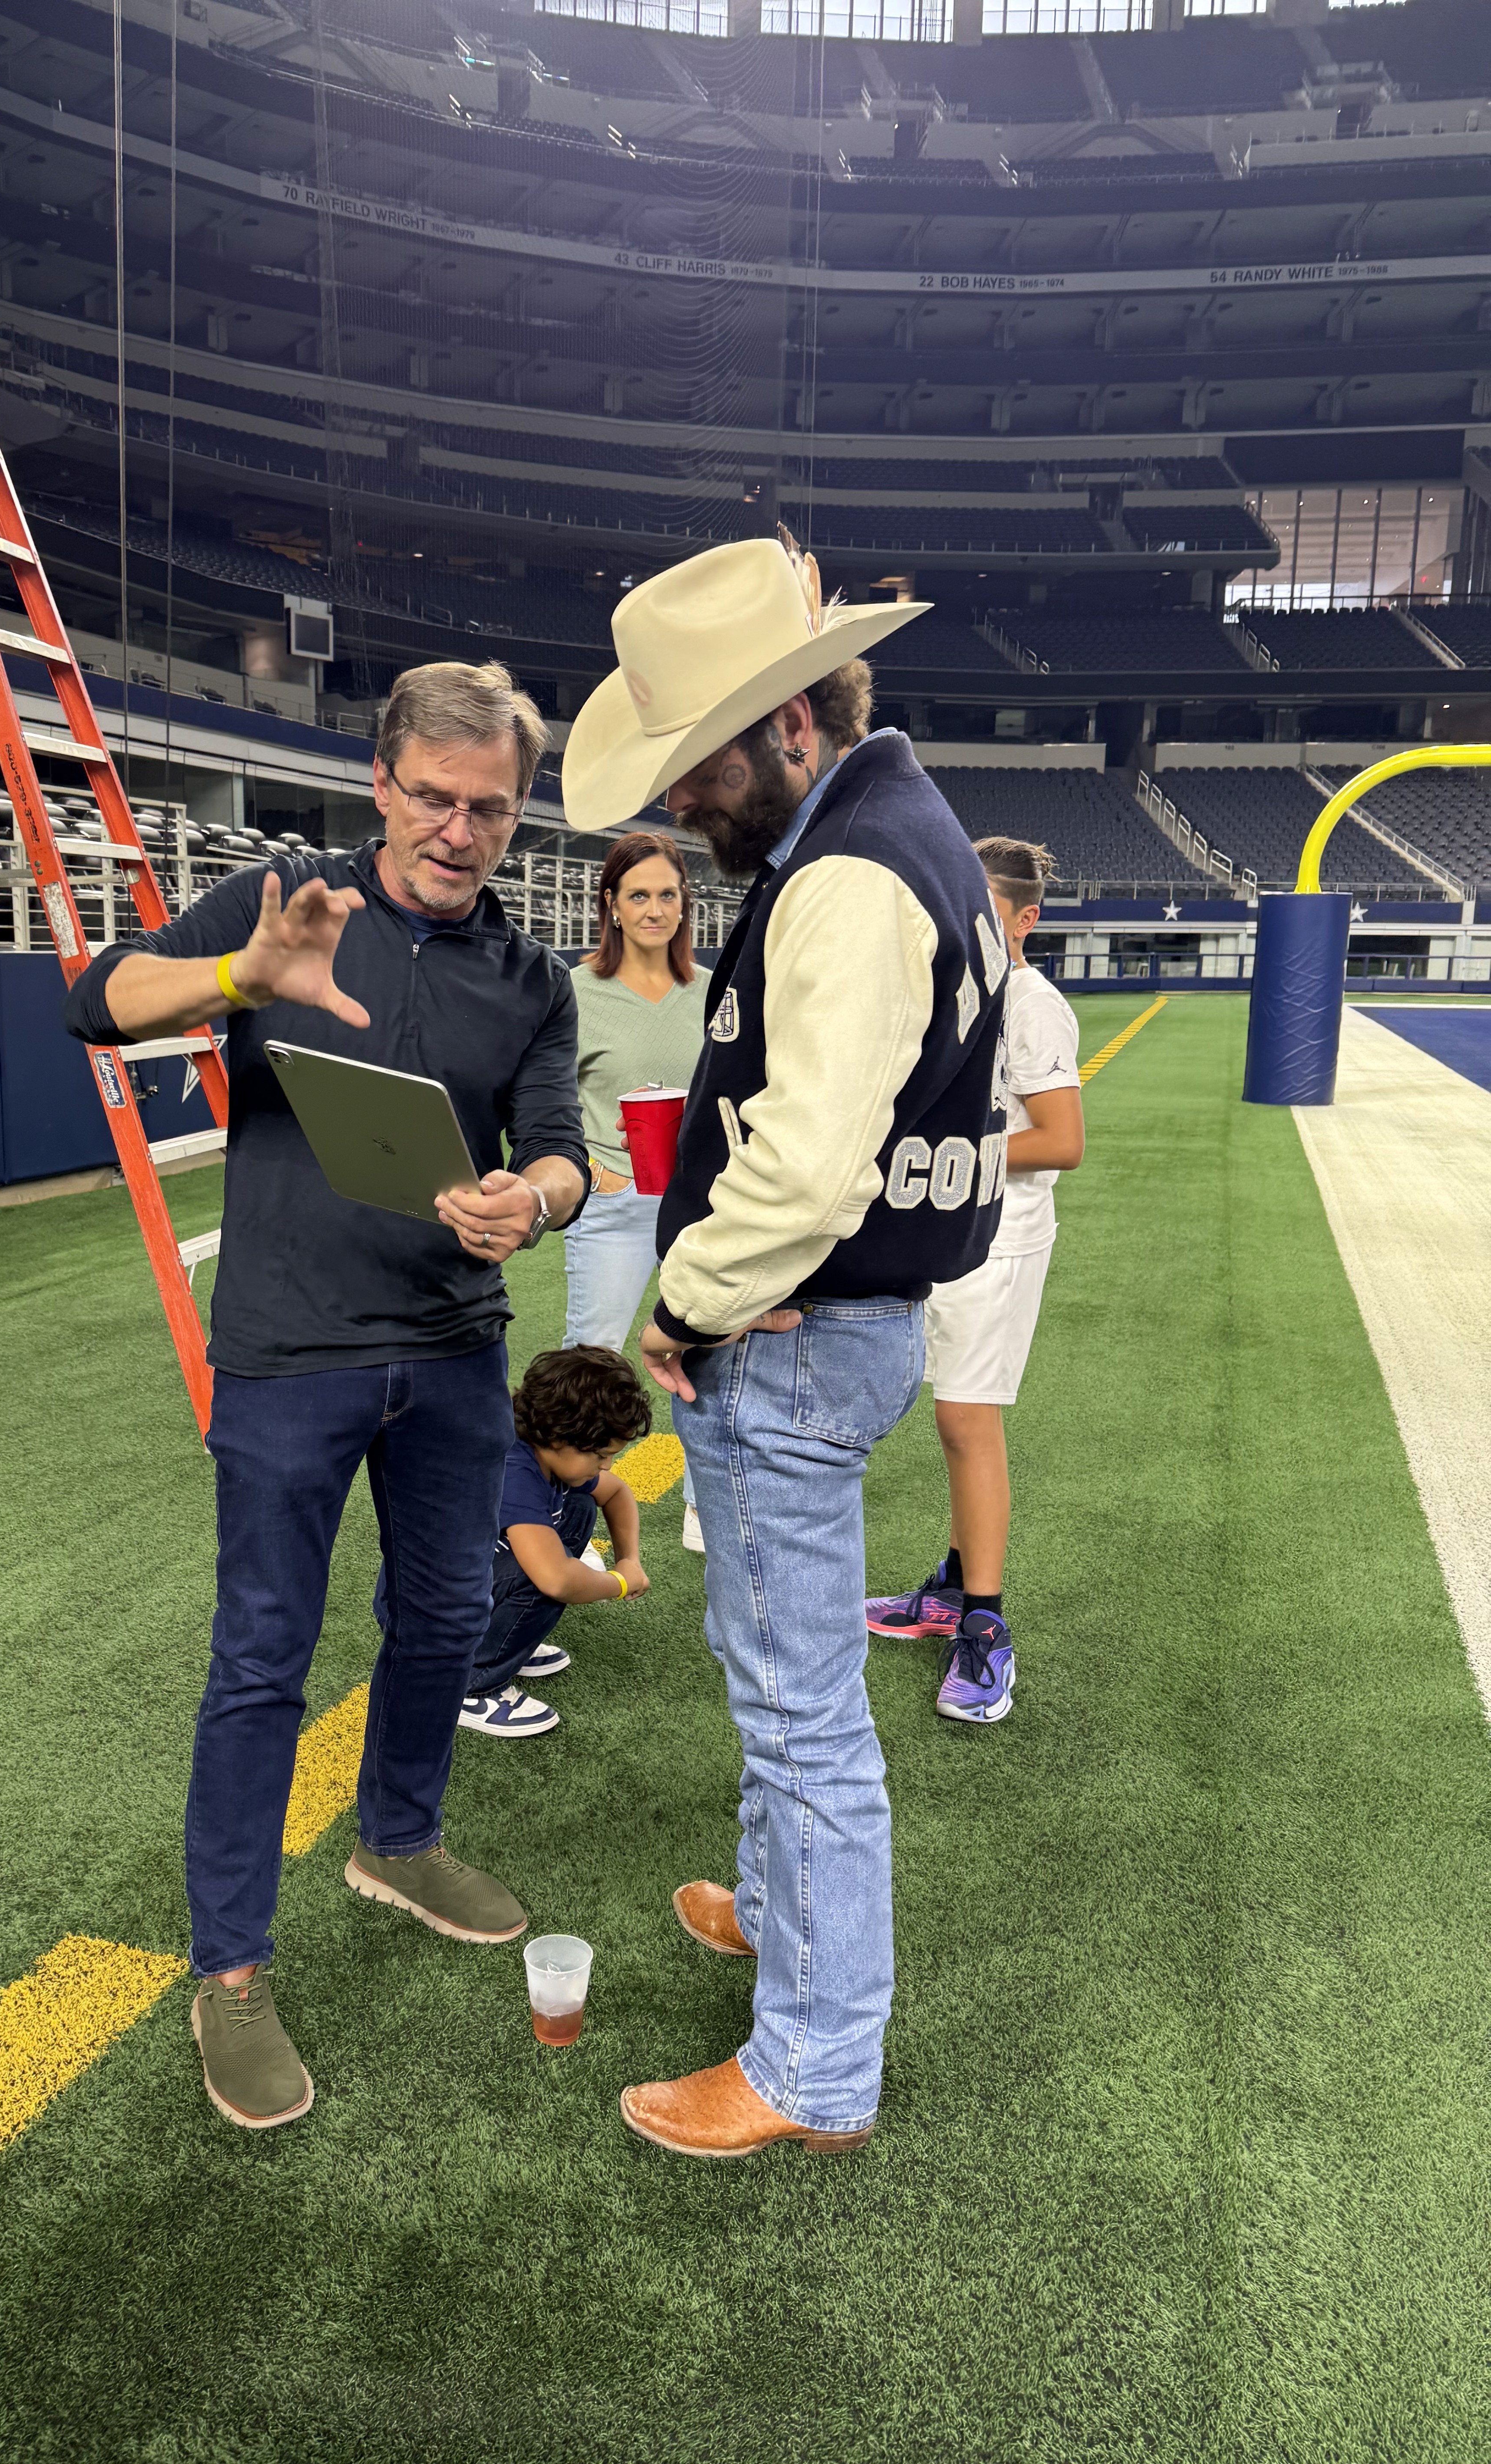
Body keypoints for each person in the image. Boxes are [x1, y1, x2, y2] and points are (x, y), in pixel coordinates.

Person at [62, 659, 588, 2134]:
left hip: (453, 1351)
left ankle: (397, 1840)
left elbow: (560, 1145)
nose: (459, 830)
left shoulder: (532, 978)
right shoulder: (284, 904)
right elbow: (96, 1003)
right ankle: (229, 1971)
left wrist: (532, 1203)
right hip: (288, 1355)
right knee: (261, 1660)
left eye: (491, 808)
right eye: (434, 797)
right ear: (382, 785)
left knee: (440, 1617)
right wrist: (242, 978)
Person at [560, 531, 1009, 2161]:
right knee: (780, 1684)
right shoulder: (899, 835)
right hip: (845, 1324)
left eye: (700, 764)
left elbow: (810, 1173)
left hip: (796, 1337)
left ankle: (814, 2063)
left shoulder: (848, 874)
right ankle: (778, 1907)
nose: (682, 801)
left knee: (798, 1709)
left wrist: (680, 1300)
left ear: (795, 724)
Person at [865, 836, 1084, 1725]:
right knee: (950, 1412)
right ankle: (953, 1587)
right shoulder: (949, 990)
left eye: (987, 911)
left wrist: (940, 1152)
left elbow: (1062, 1141)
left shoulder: (1031, 1004)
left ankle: (986, 1625)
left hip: (1001, 1235)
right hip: (948, 1227)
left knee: (966, 1416)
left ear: (1025, 921)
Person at [564, 830, 709, 1552]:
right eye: (639, 895)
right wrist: (587, 1168)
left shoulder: (711, 992)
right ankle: (566, 1523)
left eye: (667, 895)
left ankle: (705, 1511)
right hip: (614, 1206)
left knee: (709, 1357)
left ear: (684, 905)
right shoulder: (576, 992)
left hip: (701, 1211)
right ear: (612, 906)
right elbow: (542, 1098)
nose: (654, 909)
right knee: (589, 1366)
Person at [453, 1345, 653, 1738]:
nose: (607, 1465)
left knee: (579, 1505)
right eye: (601, 1454)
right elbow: (557, 1580)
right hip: (429, 1606)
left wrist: (630, 1558)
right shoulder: (515, 1468)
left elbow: (617, 1493)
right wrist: (620, 1582)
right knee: (543, 1575)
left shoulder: (542, 1450)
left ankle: (502, 1642)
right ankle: (472, 1683)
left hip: (464, 1579)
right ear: (561, 1436)